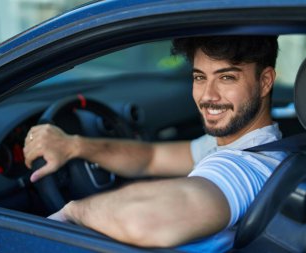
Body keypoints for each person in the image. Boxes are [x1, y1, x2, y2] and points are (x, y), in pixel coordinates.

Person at [23, 36, 286, 252]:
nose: (208, 95)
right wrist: (75, 146)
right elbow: (150, 157)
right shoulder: (244, 146)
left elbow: (147, 220)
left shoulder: (245, 165)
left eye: (227, 77)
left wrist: (73, 211)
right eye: (199, 77)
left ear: (264, 82)